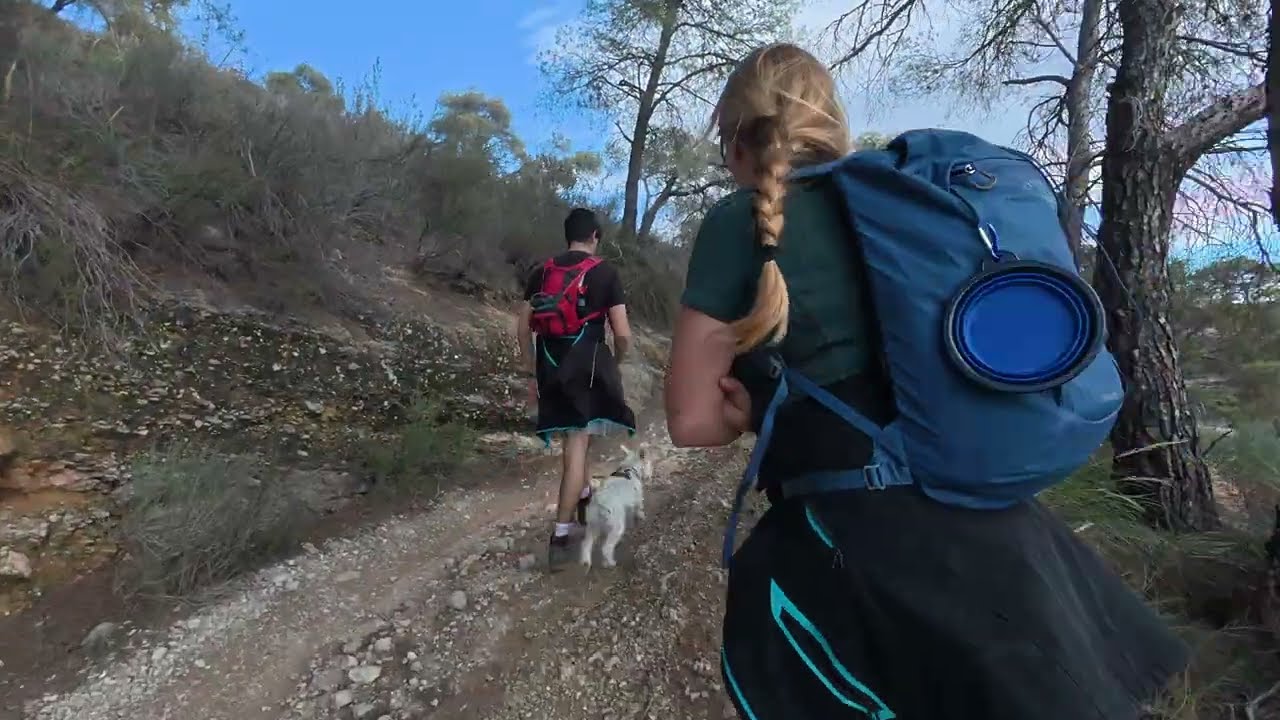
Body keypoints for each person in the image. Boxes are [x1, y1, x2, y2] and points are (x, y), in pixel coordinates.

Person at [664, 43, 1190, 720]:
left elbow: (690, 421)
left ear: (738, 141)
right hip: (996, 528)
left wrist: (742, 415)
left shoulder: (739, 223)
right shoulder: (903, 208)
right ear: (830, 125)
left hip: (853, 545)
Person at [518, 208, 637, 572]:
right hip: (585, 370)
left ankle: (585, 495)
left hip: (550, 368)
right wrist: (616, 360)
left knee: (573, 437)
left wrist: (530, 373)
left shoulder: (541, 272)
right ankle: (560, 535)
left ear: (566, 235)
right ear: (595, 236)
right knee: (577, 446)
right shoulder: (605, 272)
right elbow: (622, 333)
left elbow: (523, 330)